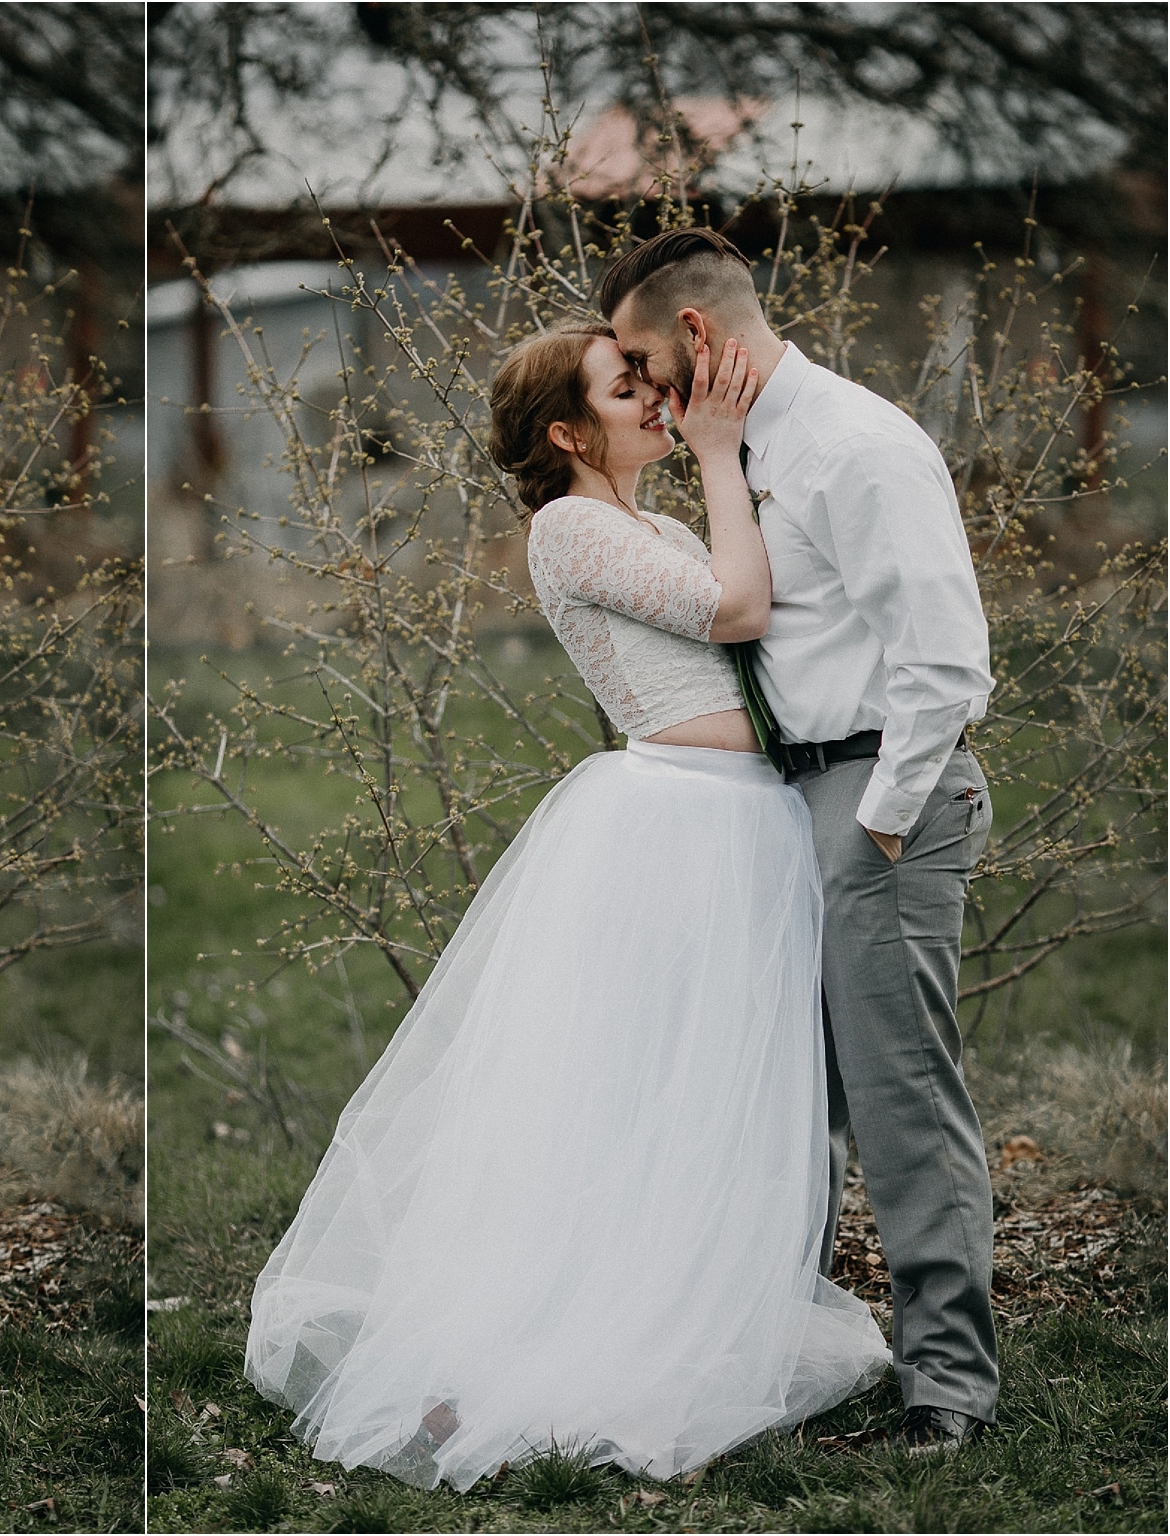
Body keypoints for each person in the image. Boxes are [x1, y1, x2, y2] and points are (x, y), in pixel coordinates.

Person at [244, 321, 889, 1488]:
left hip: (745, 818)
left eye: (649, 380)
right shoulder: (571, 524)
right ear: (565, 429)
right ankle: (566, 1349)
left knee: (707, 1096)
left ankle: (677, 1312)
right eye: (623, 387)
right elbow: (735, 614)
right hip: (676, 825)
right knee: (636, 1092)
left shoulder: (657, 522)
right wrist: (717, 447)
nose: (654, 399)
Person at [601, 228, 997, 1454]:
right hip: (799, 798)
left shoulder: (854, 447)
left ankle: (946, 1396)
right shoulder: (749, 445)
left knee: (895, 1097)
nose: (631, 379)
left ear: (696, 337)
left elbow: (944, 664)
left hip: (882, 791)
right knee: (784, 1099)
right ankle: (778, 1356)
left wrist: (875, 829)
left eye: (633, 355)